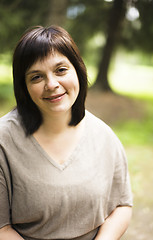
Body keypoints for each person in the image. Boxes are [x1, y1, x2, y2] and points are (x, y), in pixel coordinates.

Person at [0, 25, 133, 240]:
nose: (51, 84)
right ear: (23, 87)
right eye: (36, 77)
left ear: (78, 71)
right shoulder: (3, 141)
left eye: (61, 70)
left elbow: (122, 205)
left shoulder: (103, 136)